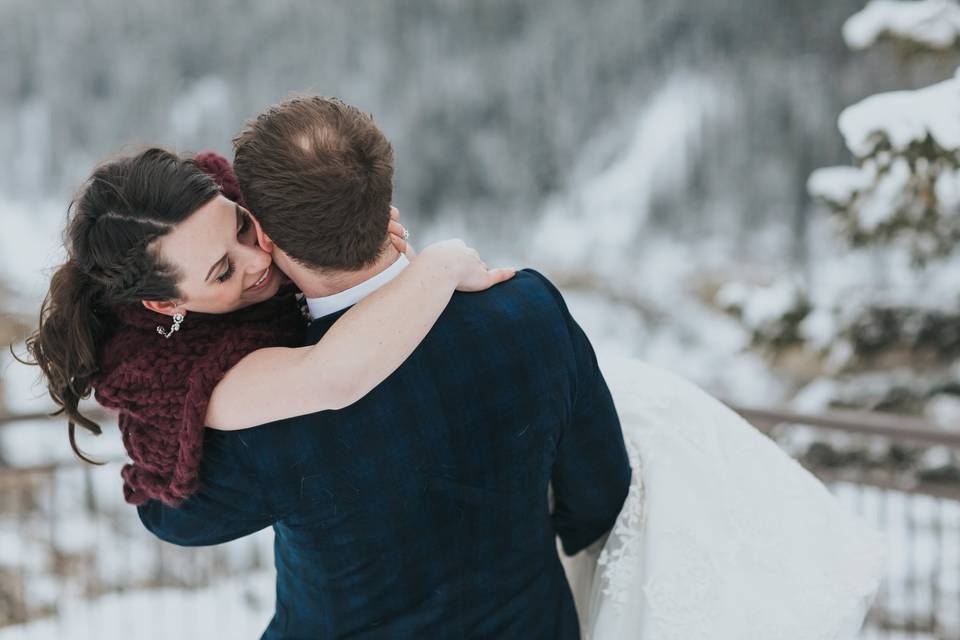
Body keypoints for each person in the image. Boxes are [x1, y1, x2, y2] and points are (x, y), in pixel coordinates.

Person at [137, 95, 884, 639]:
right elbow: (600, 497)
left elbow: (169, 517)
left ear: (263, 235)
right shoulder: (526, 310)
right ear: (382, 193)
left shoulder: (272, 403)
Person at [25, 146, 515, 506]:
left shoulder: (235, 202)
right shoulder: (163, 375)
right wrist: (442, 264)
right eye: (223, 271)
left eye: (241, 226)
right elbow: (333, 377)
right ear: (165, 302)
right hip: (207, 508)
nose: (258, 257)